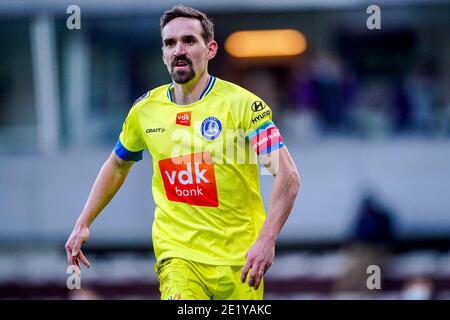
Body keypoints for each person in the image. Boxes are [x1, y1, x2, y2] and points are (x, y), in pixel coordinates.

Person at [65, 5, 300, 300]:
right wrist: (83, 221)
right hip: (178, 257)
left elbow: (288, 176)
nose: (179, 50)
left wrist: (267, 240)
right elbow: (118, 163)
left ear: (210, 48)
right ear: (163, 53)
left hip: (240, 262)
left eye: (189, 41)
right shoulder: (145, 112)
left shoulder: (243, 107)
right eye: (170, 43)